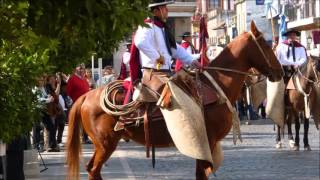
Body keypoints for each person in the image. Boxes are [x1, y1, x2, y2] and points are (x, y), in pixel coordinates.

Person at [130, 0, 201, 90]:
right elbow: (140, 42)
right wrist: (158, 58)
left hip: (164, 73)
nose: (167, 10)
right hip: (153, 74)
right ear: (156, 12)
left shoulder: (161, 27)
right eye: (164, 8)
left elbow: (174, 49)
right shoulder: (148, 25)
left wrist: (191, 60)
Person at [66, 64, 91, 144]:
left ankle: (85, 138)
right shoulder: (72, 79)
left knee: (84, 121)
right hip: (76, 103)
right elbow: (68, 92)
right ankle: (75, 139)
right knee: (76, 122)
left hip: (85, 103)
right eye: (80, 68)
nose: (82, 70)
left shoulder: (84, 79)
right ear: (76, 69)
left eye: (83, 68)